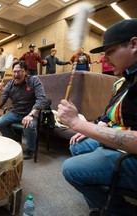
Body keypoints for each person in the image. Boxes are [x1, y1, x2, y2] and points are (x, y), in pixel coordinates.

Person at [59, 19, 137, 216]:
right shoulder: (124, 80)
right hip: (119, 142)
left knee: (70, 169)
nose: (105, 59)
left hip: (131, 153)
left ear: (134, 44)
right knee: (77, 144)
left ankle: (119, 211)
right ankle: (104, 198)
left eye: (109, 52)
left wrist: (78, 124)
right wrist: (95, 127)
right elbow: (109, 114)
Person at [0, 60, 49, 160]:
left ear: (26, 72)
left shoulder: (34, 80)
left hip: (31, 113)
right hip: (16, 113)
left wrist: (31, 115)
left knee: (29, 125)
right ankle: (13, 140)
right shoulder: (9, 85)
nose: (16, 74)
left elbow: (42, 99)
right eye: (14, 72)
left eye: (19, 71)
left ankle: (30, 149)